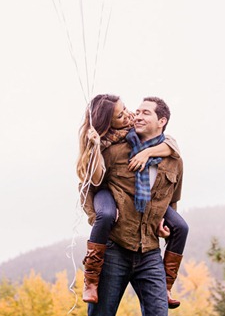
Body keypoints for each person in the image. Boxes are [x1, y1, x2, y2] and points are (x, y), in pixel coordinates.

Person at [77, 95, 188, 315]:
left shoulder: (174, 159)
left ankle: (166, 286)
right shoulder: (115, 150)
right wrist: (97, 217)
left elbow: (172, 200)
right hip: (114, 249)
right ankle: (89, 279)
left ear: (162, 121)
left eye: (145, 112)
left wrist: (164, 222)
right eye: (136, 112)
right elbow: (89, 186)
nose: (136, 115)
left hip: (150, 252)